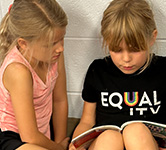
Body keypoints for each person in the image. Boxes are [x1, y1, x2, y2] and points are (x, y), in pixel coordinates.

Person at [69, 0, 166, 150]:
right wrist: (77, 144)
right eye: (117, 50)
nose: (126, 59)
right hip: (105, 143)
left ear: (152, 38)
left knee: (135, 131)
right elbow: (87, 121)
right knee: (110, 138)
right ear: (107, 41)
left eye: (135, 49)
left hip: (147, 143)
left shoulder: (162, 70)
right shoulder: (98, 70)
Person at [0, 0, 69, 150]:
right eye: (51, 43)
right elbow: (29, 136)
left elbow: (59, 100)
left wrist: (61, 142)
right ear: (24, 43)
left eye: (61, 39)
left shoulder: (54, 54)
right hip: (13, 137)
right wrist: (59, 149)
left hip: (42, 132)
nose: (60, 48)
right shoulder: (18, 71)